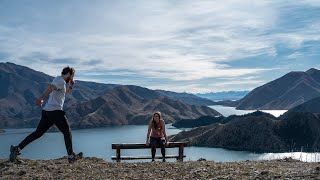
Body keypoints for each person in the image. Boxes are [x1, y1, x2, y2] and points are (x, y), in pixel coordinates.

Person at [9, 66, 82, 163]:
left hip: (47, 111)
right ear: (68, 74)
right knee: (67, 131)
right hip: (55, 111)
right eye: (72, 76)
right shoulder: (60, 81)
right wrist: (41, 98)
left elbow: (63, 93)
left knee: (38, 133)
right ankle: (71, 156)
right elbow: (51, 88)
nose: (72, 78)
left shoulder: (59, 81)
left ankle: (17, 149)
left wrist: (71, 87)